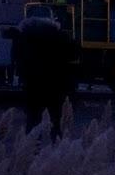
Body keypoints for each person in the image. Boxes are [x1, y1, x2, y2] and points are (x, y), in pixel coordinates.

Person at [11, 7, 78, 137]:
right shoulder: (61, 36)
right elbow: (73, 58)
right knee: (57, 122)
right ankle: (56, 149)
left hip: (32, 85)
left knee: (33, 122)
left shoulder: (23, 37)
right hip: (57, 86)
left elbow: (16, 59)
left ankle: (32, 151)